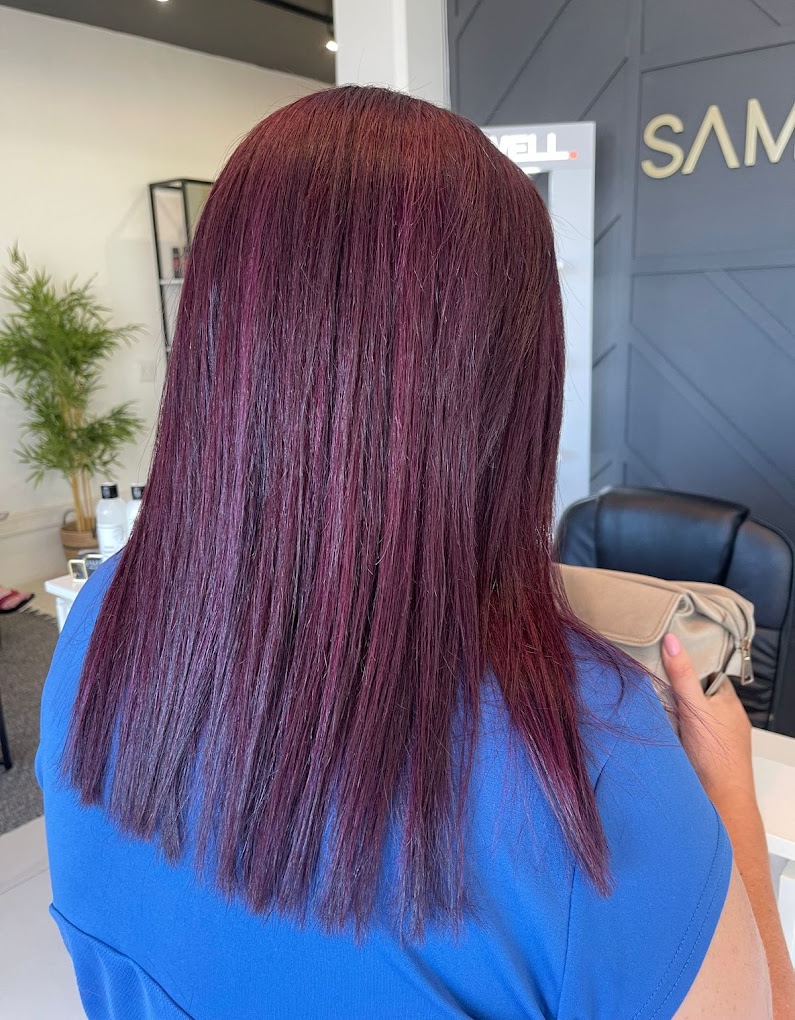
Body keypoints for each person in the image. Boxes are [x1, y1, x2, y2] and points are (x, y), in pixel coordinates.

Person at [36, 86, 792, 1018]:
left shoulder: (102, 619)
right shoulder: (592, 775)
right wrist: (729, 798)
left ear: (217, 337)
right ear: (516, 380)